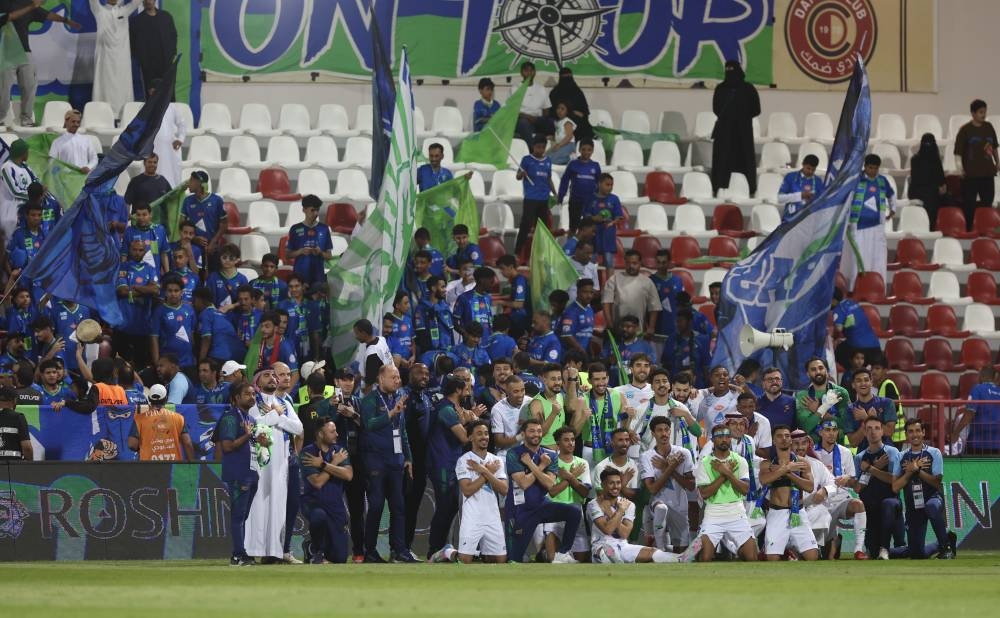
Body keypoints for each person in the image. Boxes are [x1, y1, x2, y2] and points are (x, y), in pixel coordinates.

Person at [245, 367, 304, 563]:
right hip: (259, 463)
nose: (272, 378)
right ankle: (251, 550)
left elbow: (298, 428)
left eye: (273, 375)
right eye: (266, 375)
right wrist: (273, 417)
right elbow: (253, 426)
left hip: (281, 463)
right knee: (257, 506)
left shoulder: (284, 403)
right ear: (257, 381)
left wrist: (279, 416)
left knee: (278, 507)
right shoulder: (253, 402)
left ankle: (274, 551)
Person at [505, 418, 582, 563]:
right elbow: (523, 483)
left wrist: (532, 465)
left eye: (539, 431)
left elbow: (549, 484)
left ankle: (562, 553)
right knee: (514, 559)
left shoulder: (550, 455)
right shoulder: (513, 453)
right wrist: (541, 466)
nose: (536, 434)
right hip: (519, 510)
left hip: (541, 506)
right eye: (532, 431)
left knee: (574, 512)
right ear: (523, 434)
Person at [358, 364, 413, 562]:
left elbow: (402, 430)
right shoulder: (369, 400)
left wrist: (408, 457)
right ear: (381, 379)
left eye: (398, 377)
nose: (397, 381)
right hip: (376, 461)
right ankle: (370, 551)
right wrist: (391, 413)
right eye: (393, 377)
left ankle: (398, 550)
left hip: (396, 461)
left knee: (399, 507)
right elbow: (369, 424)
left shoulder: (399, 398)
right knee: (376, 505)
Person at [589, 467, 698, 564]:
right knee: (605, 552)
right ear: (603, 485)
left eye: (618, 483)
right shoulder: (594, 504)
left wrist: (616, 511)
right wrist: (619, 511)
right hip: (601, 546)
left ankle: (680, 558)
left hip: (623, 545)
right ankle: (614, 559)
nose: (615, 486)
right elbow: (608, 530)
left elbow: (625, 534)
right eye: (611, 483)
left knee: (652, 551)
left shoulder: (628, 505)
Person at [0, 1, 80, 127]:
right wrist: (31, 6)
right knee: (3, 89)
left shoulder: (26, 4)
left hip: (25, 53)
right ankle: (1, 118)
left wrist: (65, 20)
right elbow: (8, 17)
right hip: (5, 53)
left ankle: (26, 118)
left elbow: (47, 15)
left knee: (30, 86)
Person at [425, 375, 478, 559]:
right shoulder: (446, 409)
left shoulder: (451, 409)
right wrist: (474, 422)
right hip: (442, 463)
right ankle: (434, 549)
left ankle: (441, 547)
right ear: (457, 391)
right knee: (444, 506)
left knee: (451, 506)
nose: (468, 394)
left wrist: (468, 420)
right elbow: (464, 438)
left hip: (452, 463)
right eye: (466, 390)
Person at [890, 419, 956, 559]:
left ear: (923, 432)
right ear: (906, 434)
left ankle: (946, 548)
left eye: (918, 431)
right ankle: (942, 542)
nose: (915, 434)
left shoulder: (934, 453)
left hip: (933, 498)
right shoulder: (900, 456)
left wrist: (918, 471)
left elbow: (936, 483)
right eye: (911, 431)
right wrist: (909, 472)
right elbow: (895, 487)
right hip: (913, 505)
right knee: (917, 554)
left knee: (931, 507)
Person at [694, 424, 758, 561]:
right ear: (713, 440)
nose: (724, 439)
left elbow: (745, 490)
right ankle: (719, 545)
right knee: (705, 558)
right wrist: (724, 474)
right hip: (713, 513)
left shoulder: (740, 461)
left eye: (727, 436)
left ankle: (732, 548)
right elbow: (705, 494)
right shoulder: (704, 462)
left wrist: (727, 473)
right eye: (719, 436)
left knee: (752, 557)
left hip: (737, 512)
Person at [449, 420, 508, 563]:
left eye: (486, 433)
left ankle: (482, 554)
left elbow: (504, 489)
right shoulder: (464, 460)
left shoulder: (496, 460)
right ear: (470, 437)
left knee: (500, 560)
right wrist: (488, 473)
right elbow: (467, 490)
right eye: (479, 433)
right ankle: (448, 552)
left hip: (492, 516)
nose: (484, 437)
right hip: (472, 516)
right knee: (464, 560)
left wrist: (484, 471)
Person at [758, 425, 820, 560]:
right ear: (773, 440)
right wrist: (785, 469)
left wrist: (788, 473)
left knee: (812, 556)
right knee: (773, 558)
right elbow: (764, 480)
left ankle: (791, 550)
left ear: (791, 440)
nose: (784, 439)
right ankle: (785, 550)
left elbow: (810, 487)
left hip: (798, 511)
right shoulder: (766, 464)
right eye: (779, 436)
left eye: (787, 436)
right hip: (777, 513)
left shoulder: (802, 462)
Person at [216, 381, 259, 566]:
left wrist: (261, 442)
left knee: (244, 516)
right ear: (236, 398)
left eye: (253, 394)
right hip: (238, 473)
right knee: (238, 516)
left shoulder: (252, 420)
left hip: (251, 472)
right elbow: (226, 446)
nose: (252, 397)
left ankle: (241, 552)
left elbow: (250, 445)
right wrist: (248, 435)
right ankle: (238, 555)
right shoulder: (230, 418)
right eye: (247, 394)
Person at [300, 418, 353, 564]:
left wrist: (323, 464)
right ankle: (317, 551)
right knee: (319, 515)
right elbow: (317, 482)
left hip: (335, 505)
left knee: (340, 558)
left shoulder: (340, 451)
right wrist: (335, 463)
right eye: (332, 432)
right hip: (313, 502)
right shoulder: (308, 453)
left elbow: (348, 475)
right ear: (321, 434)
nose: (337, 434)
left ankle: (311, 547)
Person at [813, 419, 868, 560]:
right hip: (821, 502)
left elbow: (853, 481)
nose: (831, 433)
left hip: (840, 499)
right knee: (823, 556)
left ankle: (858, 549)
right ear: (820, 432)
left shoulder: (845, 452)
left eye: (834, 430)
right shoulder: (813, 453)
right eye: (827, 430)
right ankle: (834, 540)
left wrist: (847, 478)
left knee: (858, 505)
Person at [852, 416, 903, 560]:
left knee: (888, 503)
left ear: (882, 431)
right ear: (864, 432)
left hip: (891, 505)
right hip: (870, 508)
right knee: (873, 553)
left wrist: (871, 469)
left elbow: (895, 481)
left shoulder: (892, 452)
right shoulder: (859, 457)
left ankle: (885, 548)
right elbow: (858, 488)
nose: (873, 432)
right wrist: (873, 468)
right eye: (869, 429)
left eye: (877, 428)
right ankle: (876, 549)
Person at [641, 416, 695, 552]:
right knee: (661, 508)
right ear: (653, 433)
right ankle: (659, 546)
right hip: (657, 504)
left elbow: (691, 486)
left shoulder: (683, 453)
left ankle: (663, 548)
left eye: (666, 430)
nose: (664, 433)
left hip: (680, 506)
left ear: (670, 431)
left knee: (681, 551)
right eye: (659, 430)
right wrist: (671, 467)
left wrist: (667, 467)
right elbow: (652, 489)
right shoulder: (647, 456)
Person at [841, 154, 894, 289]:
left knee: (878, 258)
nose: (873, 171)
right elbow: (845, 198)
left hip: (877, 227)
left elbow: (891, 195)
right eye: (870, 168)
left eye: (876, 168)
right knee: (857, 259)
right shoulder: (856, 179)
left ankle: (876, 288)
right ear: (865, 166)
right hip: (857, 226)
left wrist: (893, 209)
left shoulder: (882, 181)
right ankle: (853, 288)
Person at [711, 60, 760, 194]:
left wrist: (731, 117)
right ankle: (746, 188)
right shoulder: (748, 88)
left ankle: (721, 189)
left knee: (723, 161)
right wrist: (742, 117)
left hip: (725, 132)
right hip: (742, 132)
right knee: (743, 160)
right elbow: (756, 110)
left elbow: (716, 109)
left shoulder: (721, 88)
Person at [543, 426, 591, 562]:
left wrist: (569, 476)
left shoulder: (582, 463)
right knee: (553, 559)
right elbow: (553, 491)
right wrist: (573, 476)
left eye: (573, 440)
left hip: (576, 510)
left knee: (582, 559)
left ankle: (550, 551)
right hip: (555, 511)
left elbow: (585, 492)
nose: (571, 443)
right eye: (566, 440)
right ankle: (544, 552)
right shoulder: (551, 462)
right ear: (558, 443)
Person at [953, 99, 999, 229]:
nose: (983, 115)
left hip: (987, 173)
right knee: (969, 205)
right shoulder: (965, 130)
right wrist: (960, 169)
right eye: (980, 112)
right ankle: (969, 229)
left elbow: (994, 147)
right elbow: (958, 152)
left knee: (987, 203)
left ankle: (986, 228)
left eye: (984, 112)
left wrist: (997, 161)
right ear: (973, 113)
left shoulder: (989, 127)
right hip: (971, 175)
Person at [514, 135, 557, 255]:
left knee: (543, 227)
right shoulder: (526, 160)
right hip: (531, 198)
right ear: (533, 147)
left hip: (544, 199)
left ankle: (542, 253)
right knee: (526, 226)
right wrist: (522, 174)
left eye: (543, 147)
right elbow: (518, 176)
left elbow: (549, 179)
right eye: (538, 147)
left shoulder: (548, 161)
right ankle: (517, 252)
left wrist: (555, 193)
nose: (541, 150)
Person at [128, 384, 194, 461]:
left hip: (148, 465)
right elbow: (187, 443)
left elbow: (132, 444)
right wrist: (192, 463)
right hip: (172, 466)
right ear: (166, 399)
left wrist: (143, 447)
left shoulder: (139, 419)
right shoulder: (179, 418)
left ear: (149, 399)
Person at [90, 0, 134, 116]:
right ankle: (103, 115)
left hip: (122, 59)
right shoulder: (100, 10)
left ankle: (122, 116)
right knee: (104, 88)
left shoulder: (125, 10)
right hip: (105, 59)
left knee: (123, 88)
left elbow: (137, 2)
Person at [602, 250, 660, 337]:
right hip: (618, 330)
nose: (631, 266)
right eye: (628, 263)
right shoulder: (613, 280)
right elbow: (606, 303)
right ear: (625, 262)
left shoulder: (648, 282)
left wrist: (651, 327)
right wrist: (610, 324)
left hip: (639, 331)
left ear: (640, 263)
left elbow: (654, 307)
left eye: (634, 263)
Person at [795, 357, 851, 442]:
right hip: (812, 447)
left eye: (821, 368)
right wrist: (825, 410)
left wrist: (818, 411)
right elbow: (806, 427)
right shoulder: (802, 396)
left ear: (826, 371)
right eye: (813, 369)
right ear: (808, 374)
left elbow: (847, 425)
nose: (818, 372)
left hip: (837, 445)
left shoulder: (841, 393)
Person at [129, 0, 177, 95]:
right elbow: (133, 44)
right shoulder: (137, 22)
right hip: (148, 69)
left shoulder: (166, 17)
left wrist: (171, 55)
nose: (148, 1)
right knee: (152, 98)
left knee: (168, 96)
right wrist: (142, 60)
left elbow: (173, 36)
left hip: (166, 65)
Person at [181, 170, 227, 265]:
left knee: (213, 272)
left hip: (212, 247)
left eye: (191, 180)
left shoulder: (217, 200)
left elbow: (224, 224)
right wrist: (194, 238)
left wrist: (213, 242)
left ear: (199, 183)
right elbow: (182, 224)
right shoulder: (187, 201)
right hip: (193, 247)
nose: (188, 183)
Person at [286, 195, 333, 286]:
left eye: (317, 210)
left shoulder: (324, 229)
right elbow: (287, 255)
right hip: (299, 278)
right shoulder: (295, 229)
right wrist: (300, 251)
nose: (315, 213)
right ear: (304, 210)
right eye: (312, 210)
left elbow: (329, 256)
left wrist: (320, 252)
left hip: (318, 278)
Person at [952, 366, 1000, 456]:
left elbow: (969, 414)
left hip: (978, 443)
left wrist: (956, 433)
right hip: (997, 444)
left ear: (981, 376)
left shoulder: (978, 389)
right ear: (994, 377)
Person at [845, 369, 897, 449]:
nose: (863, 383)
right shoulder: (850, 409)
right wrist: (866, 421)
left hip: (886, 453)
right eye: (859, 381)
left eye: (866, 380)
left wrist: (867, 418)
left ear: (871, 382)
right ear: (853, 385)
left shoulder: (887, 403)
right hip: (864, 454)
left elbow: (889, 432)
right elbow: (853, 442)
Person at [147, 79, 185, 186]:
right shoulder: (144, 108)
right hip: (151, 148)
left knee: (171, 178)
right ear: (150, 92)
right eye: (153, 91)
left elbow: (182, 125)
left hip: (170, 149)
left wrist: (180, 139)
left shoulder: (172, 107)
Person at [557, 139, 601, 234]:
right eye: (583, 149)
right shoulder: (573, 164)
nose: (586, 152)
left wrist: (599, 200)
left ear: (592, 151)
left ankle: (586, 244)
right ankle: (571, 243)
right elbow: (565, 181)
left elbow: (599, 184)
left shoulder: (595, 166)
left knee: (589, 229)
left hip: (590, 202)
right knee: (573, 228)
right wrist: (561, 196)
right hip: (575, 201)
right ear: (579, 150)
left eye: (589, 150)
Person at [583, 173, 625, 270]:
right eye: (607, 184)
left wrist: (611, 223)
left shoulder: (614, 199)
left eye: (611, 185)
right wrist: (594, 218)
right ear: (599, 184)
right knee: (591, 261)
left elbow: (619, 217)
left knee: (609, 262)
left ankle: (610, 280)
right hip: (593, 235)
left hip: (608, 235)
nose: (610, 187)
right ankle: (588, 279)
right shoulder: (590, 198)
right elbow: (586, 215)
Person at [831, 288, 881, 369]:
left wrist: (834, 337)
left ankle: (852, 372)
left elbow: (838, 328)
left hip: (859, 348)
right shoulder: (852, 302)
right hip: (875, 347)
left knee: (837, 352)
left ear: (833, 300)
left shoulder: (838, 309)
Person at [908, 133, 948, 228]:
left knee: (948, 199)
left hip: (933, 189)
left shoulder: (936, 159)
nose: (928, 146)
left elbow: (940, 176)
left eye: (930, 144)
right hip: (918, 190)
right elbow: (918, 180)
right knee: (931, 199)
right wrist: (936, 187)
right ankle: (929, 227)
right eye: (926, 144)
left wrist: (942, 186)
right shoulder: (915, 159)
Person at [120, 202, 169, 275]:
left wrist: (168, 274)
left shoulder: (160, 230)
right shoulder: (129, 231)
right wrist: (122, 275)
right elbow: (124, 256)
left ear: (150, 215)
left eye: (144, 214)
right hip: (134, 276)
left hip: (155, 275)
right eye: (138, 215)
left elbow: (164, 254)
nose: (141, 218)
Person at [548, 67, 593, 143]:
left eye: (569, 78)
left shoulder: (578, 92)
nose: (567, 81)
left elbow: (585, 113)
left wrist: (577, 114)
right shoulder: (554, 93)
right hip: (559, 119)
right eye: (564, 78)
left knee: (584, 126)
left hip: (577, 120)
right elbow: (551, 111)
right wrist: (566, 112)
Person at [777, 154, 825, 222]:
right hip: (790, 220)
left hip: (809, 221)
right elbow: (780, 198)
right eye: (808, 168)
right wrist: (800, 196)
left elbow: (822, 201)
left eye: (813, 170)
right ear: (803, 164)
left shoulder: (818, 181)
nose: (810, 172)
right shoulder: (791, 177)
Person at [0, 138, 33, 238]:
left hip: (25, 211)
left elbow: (35, 182)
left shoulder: (26, 167)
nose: (28, 153)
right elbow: (15, 192)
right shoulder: (7, 167)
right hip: (10, 213)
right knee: (10, 241)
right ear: (22, 153)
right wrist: (34, 196)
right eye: (27, 151)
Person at [515, 61, 553, 144]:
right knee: (524, 123)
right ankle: (532, 148)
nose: (529, 73)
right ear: (521, 73)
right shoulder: (515, 89)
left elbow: (546, 109)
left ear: (534, 72)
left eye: (531, 70)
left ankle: (550, 147)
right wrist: (528, 117)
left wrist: (539, 120)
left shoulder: (541, 89)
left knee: (551, 121)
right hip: (522, 119)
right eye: (526, 70)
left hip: (537, 119)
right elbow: (512, 111)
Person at [353, 318, 393, 391]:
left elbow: (369, 385)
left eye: (357, 333)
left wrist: (365, 395)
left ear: (364, 333)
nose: (356, 337)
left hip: (379, 391)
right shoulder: (381, 339)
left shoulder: (372, 354)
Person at [0, 386, 31, 460]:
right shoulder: (18, 417)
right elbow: (27, 448)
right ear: (15, 400)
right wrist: (30, 462)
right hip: (13, 464)